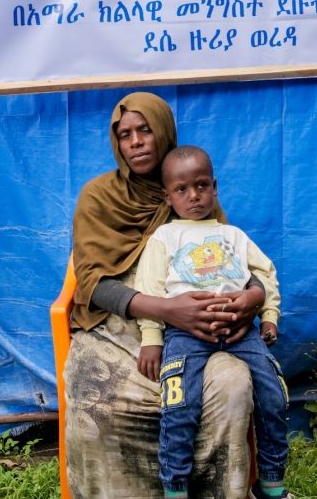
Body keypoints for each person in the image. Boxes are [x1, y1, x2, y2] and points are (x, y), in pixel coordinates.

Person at [67, 92, 270, 499]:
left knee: (230, 385)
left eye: (145, 130)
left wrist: (253, 296)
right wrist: (163, 310)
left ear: (164, 133)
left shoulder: (187, 190)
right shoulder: (98, 197)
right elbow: (90, 281)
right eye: (125, 135)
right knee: (96, 404)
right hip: (115, 327)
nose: (136, 141)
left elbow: (230, 259)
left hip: (196, 331)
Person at [134, 145, 290, 499]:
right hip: (186, 334)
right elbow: (149, 288)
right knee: (178, 404)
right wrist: (151, 337)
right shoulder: (165, 238)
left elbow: (265, 275)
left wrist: (269, 317)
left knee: (274, 395)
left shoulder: (232, 235)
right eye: (182, 189)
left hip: (241, 332)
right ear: (168, 196)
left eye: (202, 185)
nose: (194, 196)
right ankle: (175, 486)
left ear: (215, 187)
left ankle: (271, 481)